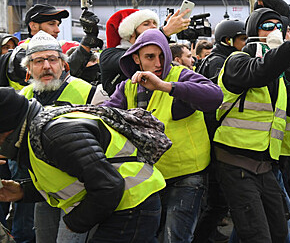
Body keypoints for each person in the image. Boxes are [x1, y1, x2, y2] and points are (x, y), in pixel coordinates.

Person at [213, 8, 290, 242]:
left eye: (279, 26)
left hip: (266, 168)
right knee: (257, 235)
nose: (275, 31)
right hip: (236, 165)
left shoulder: (279, 79)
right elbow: (261, 70)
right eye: (267, 26)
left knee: (280, 231)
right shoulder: (237, 62)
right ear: (252, 33)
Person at [0, 87, 167, 242]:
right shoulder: (36, 130)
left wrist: (75, 222)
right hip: (121, 206)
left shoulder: (56, 136)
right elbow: (71, 178)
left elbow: (109, 185)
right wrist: (23, 191)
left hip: (132, 206)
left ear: (7, 129)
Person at [104, 28, 222, 243]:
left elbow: (215, 96)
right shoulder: (126, 87)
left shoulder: (180, 75)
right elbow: (104, 115)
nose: (158, 63)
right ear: (136, 59)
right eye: (150, 57)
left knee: (175, 237)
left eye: (162, 56)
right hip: (147, 179)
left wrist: (166, 87)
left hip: (186, 175)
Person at [18, 31, 108, 242]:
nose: (47, 66)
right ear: (28, 68)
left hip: (82, 195)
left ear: (63, 64)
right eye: (38, 61)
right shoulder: (22, 100)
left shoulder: (89, 92)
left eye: (52, 59)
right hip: (45, 193)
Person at [192, 19, 246, 243]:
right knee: (219, 200)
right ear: (228, 40)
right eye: (243, 39)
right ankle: (201, 237)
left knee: (219, 199)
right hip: (217, 137)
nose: (246, 43)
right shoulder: (221, 62)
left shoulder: (217, 59)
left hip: (214, 136)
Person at [100, 8, 189, 96]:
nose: (154, 27)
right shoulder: (109, 55)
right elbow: (128, 60)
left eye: (154, 23)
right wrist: (164, 32)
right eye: (146, 24)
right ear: (131, 32)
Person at [196, 19, 247, 83]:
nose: (247, 42)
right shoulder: (218, 62)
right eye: (243, 39)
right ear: (228, 40)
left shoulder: (227, 58)